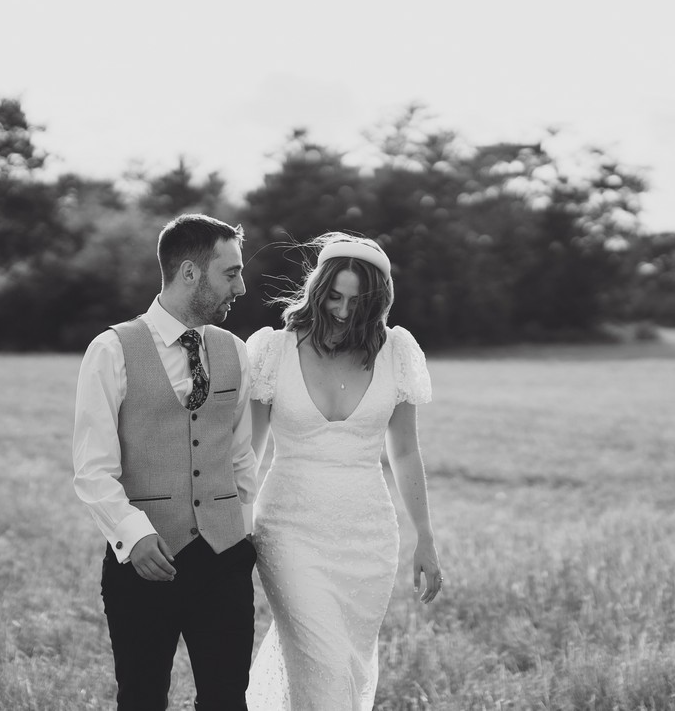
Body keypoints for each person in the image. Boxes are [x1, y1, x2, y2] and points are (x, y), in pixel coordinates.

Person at [244, 233, 443, 711]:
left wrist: (425, 536)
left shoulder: (396, 351)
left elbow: (406, 451)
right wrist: (233, 522)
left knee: (348, 665)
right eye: (334, 295)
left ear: (377, 302)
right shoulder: (275, 350)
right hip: (288, 531)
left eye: (357, 301)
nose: (342, 309)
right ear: (318, 288)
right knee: (322, 662)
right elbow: (248, 450)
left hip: (367, 538)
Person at [72, 213, 260, 711]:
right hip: (144, 562)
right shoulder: (112, 349)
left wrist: (241, 530)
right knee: (141, 698)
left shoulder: (235, 352)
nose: (240, 286)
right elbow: (93, 468)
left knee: (226, 701)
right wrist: (132, 535)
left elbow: (241, 457)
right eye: (231, 272)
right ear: (190, 273)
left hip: (225, 561)